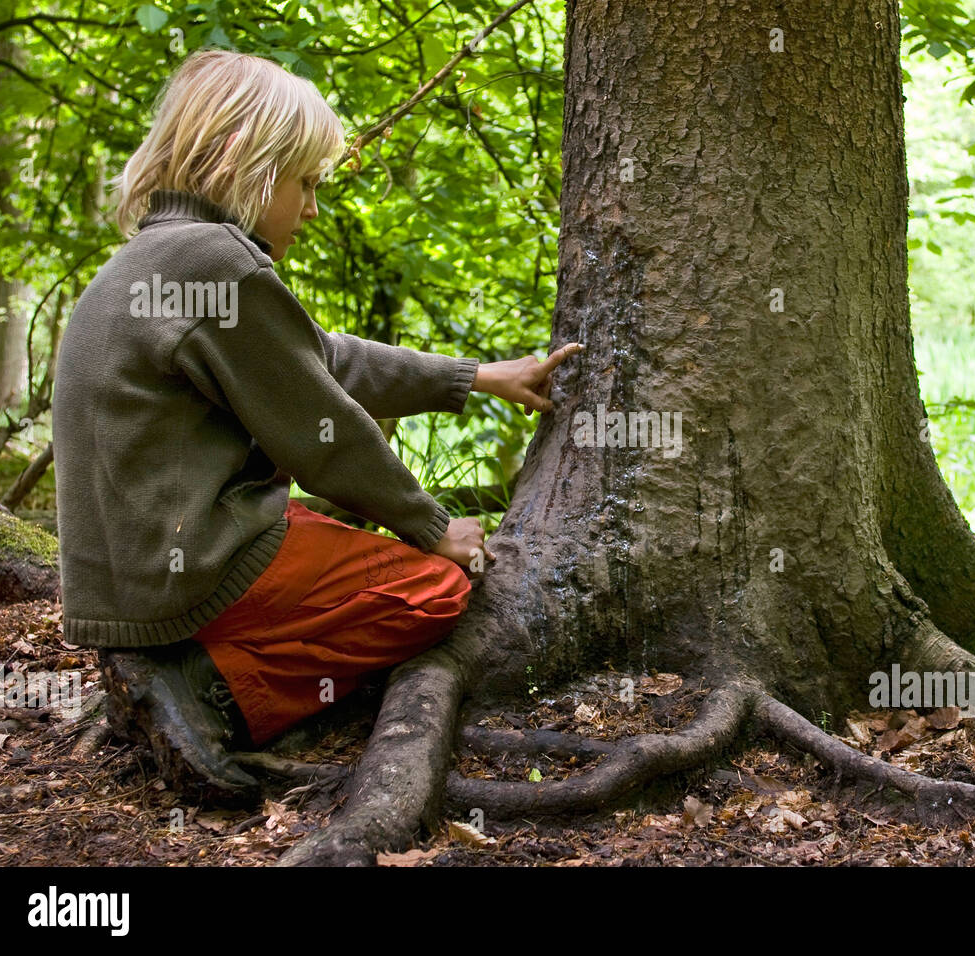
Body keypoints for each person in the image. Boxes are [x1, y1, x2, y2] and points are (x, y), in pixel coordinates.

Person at [51, 49, 582, 796]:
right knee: (433, 591)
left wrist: (477, 378)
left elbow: (318, 360)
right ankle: (208, 691)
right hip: (196, 568)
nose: (309, 206)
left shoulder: (153, 258)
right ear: (246, 160)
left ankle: (178, 664)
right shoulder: (218, 264)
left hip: (125, 585)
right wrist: (433, 528)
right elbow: (320, 430)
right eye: (303, 182)